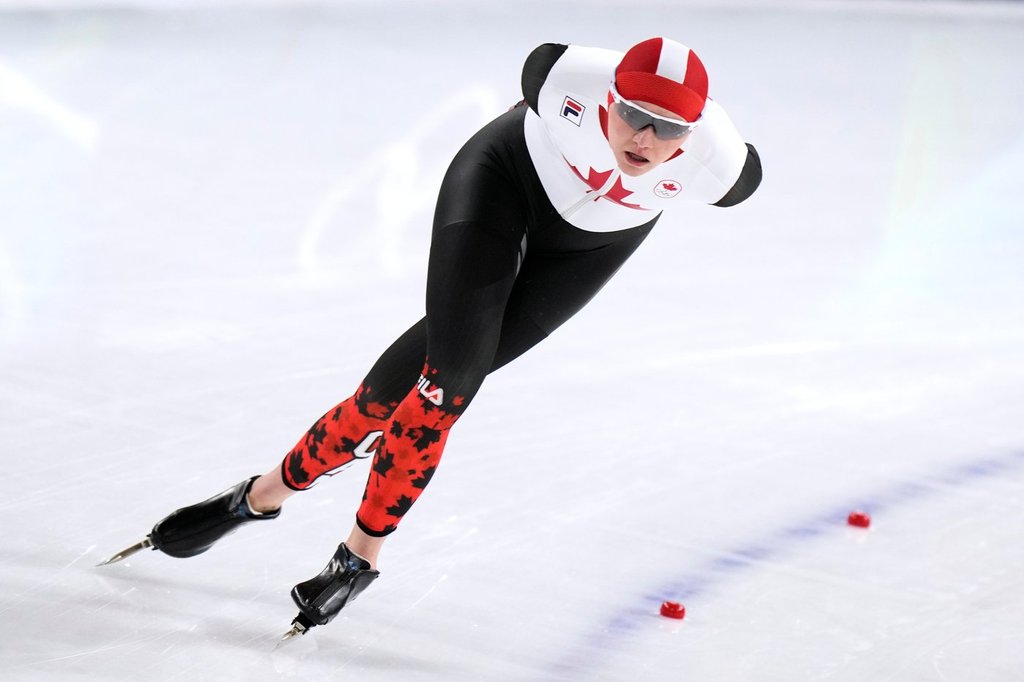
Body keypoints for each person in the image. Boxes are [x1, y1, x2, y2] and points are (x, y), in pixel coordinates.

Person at [101, 37, 762, 639]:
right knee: (439, 386)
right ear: (607, 99)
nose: (645, 137)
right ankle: (316, 532)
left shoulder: (720, 166)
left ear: (692, 134)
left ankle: (275, 508)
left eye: (668, 127)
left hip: (586, 251)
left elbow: (747, 177)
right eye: (632, 115)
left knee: (407, 395)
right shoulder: (562, 80)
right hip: (504, 182)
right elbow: (538, 62)